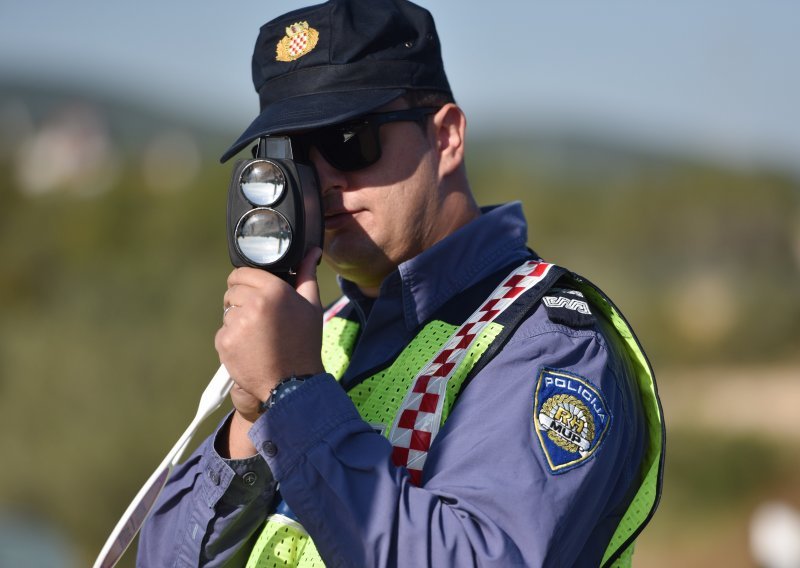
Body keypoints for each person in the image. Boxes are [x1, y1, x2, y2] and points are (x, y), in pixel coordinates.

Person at [137, 0, 664, 566]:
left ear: (447, 137)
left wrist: (292, 394)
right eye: (298, 158)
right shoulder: (318, 333)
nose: (324, 182)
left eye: (349, 139)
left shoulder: (547, 344)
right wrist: (249, 415)